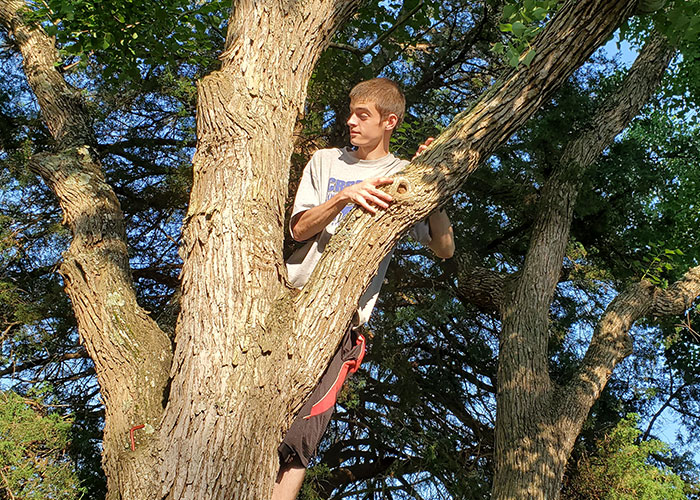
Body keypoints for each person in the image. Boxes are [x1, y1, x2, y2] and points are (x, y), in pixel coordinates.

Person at [273, 78, 455, 500]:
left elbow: (444, 249)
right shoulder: (325, 161)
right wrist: (343, 198)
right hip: (289, 298)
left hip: (340, 322)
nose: (351, 122)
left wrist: (435, 192)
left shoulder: (401, 175)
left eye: (363, 115)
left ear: (389, 122)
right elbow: (299, 228)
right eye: (351, 112)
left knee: (301, 438)